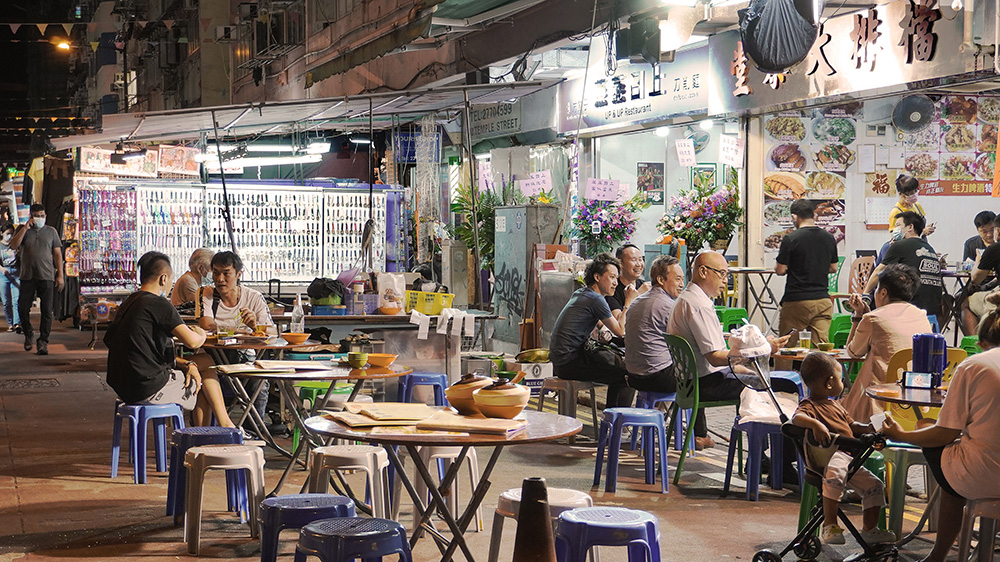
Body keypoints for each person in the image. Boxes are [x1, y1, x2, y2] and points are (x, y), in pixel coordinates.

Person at [880, 309, 1000, 562]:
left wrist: (901, 434)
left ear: (981, 344)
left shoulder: (974, 365)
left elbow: (944, 433)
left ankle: (939, 553)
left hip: (984, 477)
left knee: (932, 435)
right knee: (955, 453)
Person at [667, 251, 790, 449]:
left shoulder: (687, 299)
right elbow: (715, 357)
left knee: (754, 376)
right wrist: (761, 350)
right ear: (703, 271)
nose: (725, 280)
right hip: (703, 384)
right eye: (722, 273)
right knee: (763, 385)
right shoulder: (697, 305)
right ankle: (762, 456)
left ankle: (763, 454)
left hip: (690, 382)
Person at [105, 251, 239, 429]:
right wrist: (200, 333)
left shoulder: (129, 302)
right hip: (148, 388)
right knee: (203, 382)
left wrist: (187, 363)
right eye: (170, 280)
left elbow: (142, 352)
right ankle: (211, 432)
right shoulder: (158, 304)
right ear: (163, 278)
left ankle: (213, 430)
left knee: (203, 362)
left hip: (124, 386)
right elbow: (192, 342)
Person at [792, 352, 896, 546]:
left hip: (849, 456)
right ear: (830, 382)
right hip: (829, 456)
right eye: (841, 379)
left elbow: (852, 425)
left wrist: (868, 428)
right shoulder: (809, 405)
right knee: (836, 473)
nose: (843, 384)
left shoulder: (836, 405)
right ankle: (830, 524)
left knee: (874, 485)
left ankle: (870, 530)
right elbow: (796, 419)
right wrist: (816, 424)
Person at [193, 251, 276, 428]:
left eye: (226, 273)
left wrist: (254, 326)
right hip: (213, 359)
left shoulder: (253, 297)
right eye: (215, 273)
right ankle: (206, 436)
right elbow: (206, 324)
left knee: (260, 383)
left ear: (238, 274)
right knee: (201, 381)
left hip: (245, 360)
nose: (220, 279)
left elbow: (271, 333)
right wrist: (239, 330)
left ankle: (251, 435)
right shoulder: (206, 293)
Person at [842, 264, 932, 420]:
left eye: (876, 289)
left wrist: (858, 315)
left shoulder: (873, 318)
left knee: (841, 407)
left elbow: (853, 352)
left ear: (883, 292)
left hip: (880, 403)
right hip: (916, 401)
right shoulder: (921, 315)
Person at [549, 252, 634, 409]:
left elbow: (601, 323)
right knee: (628, 374)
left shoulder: (583, 293)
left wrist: (603, 330)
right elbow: (621, 331)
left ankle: (613, 421)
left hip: (561, 361)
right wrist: (628, 300)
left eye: (616, 278)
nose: (615, 283)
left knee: (620, 369)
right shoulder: (596, 299)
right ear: (597, 277)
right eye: (612, 277)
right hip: (570, 363)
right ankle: (617, 424)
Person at [775, 199, 838, 349]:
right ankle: (823, 373)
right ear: (814, 215)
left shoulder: (791, 238)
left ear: (794, 217)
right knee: (820, 351)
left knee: (786, 347)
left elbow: (780, 270)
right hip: (822, 301)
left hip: (797, 301)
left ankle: (783, 373)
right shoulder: (829, 237)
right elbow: (833, 268)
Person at [624, 255, 685, 393]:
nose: (682, 284)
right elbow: (687, 338)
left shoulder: (637, 302)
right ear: (661, 279)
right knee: (699, 377)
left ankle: (663, 411)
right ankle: (684, 414)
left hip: (634, 376)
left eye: (682, 279)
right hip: (656, 376)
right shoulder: (667, 305)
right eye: (677, 279)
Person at [8, 204, 63, 355]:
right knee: (22, 308)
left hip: (46, 276)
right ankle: (28, 333)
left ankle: (43, 341)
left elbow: (57, 254)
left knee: (47, 311)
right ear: (31, 216)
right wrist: (25, 228)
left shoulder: (51, 232)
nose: (40, 218)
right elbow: (13, 245)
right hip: (27, 276)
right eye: (37, 215)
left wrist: (60, 275)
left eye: (43, 215)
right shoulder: (23, 230)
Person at [865, 211, 942, 318]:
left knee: (879, 292)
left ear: (910, 227)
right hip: (932, 309)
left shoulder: (900, 245)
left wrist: (864, 294)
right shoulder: (930, 249)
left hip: (909, 307)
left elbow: (879, 272)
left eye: (898, 226)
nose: (895, 230)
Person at [961, 213, 1000, 334]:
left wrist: (978, 261)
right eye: (984, 231)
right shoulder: (971, 243)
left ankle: (975, 345)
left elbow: (975, 278)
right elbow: (965, 268)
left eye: (992, 230)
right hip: (987, 286)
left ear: (997, 230)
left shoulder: (994, 249)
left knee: (964, 302)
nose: (989, 235)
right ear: (978, 230)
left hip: (993, 289)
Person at [606, 244, 650, 323]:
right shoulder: (612, 289)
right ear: (621, 264)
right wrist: (638, 295)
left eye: (640, 259)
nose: (638, 264)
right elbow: (619, 321)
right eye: (633, 260)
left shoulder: (644, 285)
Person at [1, 222, 20, 333]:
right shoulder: (0, 245)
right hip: (3, 275)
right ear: (2, 233)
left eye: (12, 234)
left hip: (16, 273)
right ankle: (10, 323)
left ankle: (17, 323)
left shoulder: (15, 244)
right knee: (6, 301)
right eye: (7, 233)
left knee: (16, 299)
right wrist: (2, 269)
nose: (10, 236)